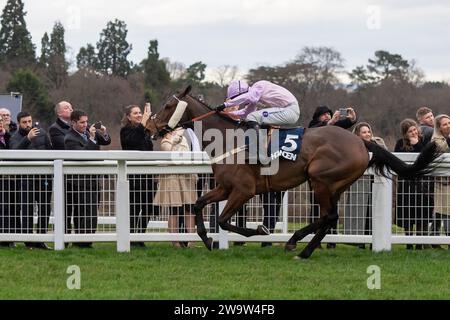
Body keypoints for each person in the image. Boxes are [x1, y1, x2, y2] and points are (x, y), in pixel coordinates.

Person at [307, 105, 357, 249]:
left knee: (333, 207)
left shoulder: (334, 127)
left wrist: (352, 119)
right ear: (318, 117)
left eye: (329, 114)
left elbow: (345, 125)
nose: (327, 116)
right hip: (317, 176)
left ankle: (332, 239)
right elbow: (316, 130)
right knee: (316, 207)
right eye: (324, 115)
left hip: (331, 175)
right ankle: (315, 238)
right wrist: (331, 122)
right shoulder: (313, 126)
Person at [216, 80, 300, 161]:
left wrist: (225, 104)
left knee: (253, 117)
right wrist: (226, 114)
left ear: (242, 92)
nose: (239, 101)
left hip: (290, 110)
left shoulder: (258, 86)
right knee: (252, 117)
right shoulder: (255, 96)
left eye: (237, 97)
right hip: (286, 110)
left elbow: (247, 97)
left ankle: (260, 152)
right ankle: (265, 148)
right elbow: (245, 113)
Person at [64, 110, 111, 248]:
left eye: (86, 121)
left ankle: (88, 240)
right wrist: (91, 138)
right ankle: (82, 241)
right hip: (79, 181)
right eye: (82, 122)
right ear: (73, 122)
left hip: (93, 178)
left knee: (92, 210)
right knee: (83, 212)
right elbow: (83, 155)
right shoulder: (69, 138)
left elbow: (106, 141)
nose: (85, 125)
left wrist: (104, 131)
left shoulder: (88, 132)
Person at [10, 112, 52, 250]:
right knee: (27, 210)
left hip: (43, 179)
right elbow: (13, 155)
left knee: (45, 209)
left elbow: (50, 152)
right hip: (26, 179)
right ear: (18, 123)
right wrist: (27, 139)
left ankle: (41, 239)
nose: (28, 124)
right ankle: (28, 240)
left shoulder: (42, 133)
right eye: (24, 122)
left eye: (29, 121)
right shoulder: (15, 137)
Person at [120, 103, 158, 247]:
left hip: (148, 176)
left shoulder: (146, 131)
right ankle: (130, 237)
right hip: (134, 176)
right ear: (128, 117)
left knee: (148, 207)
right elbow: (133, 141)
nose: (139, 115)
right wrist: (143, 124)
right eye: (135, 113)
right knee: (134, 208)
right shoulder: (125, 131)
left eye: (140, 112)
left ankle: (140, 236)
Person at [344, 122, 387, 249]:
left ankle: (375, 240)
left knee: (374, 213)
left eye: (368, 131)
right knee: (359, 212)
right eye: (364, 132)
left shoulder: (378, 144)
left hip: (376, 182)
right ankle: (359, 241)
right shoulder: (352, 146)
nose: (367, 134)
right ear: (357, 134)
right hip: (359, 182)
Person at [153, 128, 198, 248]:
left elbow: (187, 154)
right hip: (172, 178)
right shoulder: (165, 142)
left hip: (186, 176)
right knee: (174, 210)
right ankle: (175, 241)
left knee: (189, 208)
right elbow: (172, 156)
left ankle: (191, 240)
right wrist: (175, 138)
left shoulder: (183, 139)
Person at [394, 119, 434, 250]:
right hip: (406, 184)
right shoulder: (400, 144)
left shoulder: (424, 142)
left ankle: (420, 243)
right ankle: (409, 242)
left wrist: (417, 144)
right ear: (405, 134)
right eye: (410, 131)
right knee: (408, 213)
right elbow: (397, 159)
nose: (413, 132)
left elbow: (427, 157)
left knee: (422, 213)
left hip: (423, 184)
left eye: (415, 129)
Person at [430, 114, 450, 249]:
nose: (448, 126)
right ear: (439, 127)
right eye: (445, 124)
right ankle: (437, 238)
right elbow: (443, 149)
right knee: (443, 211)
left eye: (449, 123)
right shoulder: (436, 140)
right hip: (442, 182)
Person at [0, 114, 18, 248]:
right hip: (2, 178)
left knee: (12, 207)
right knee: (4, 208)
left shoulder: (9, 136)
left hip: (10, 178)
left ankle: (10, 237)